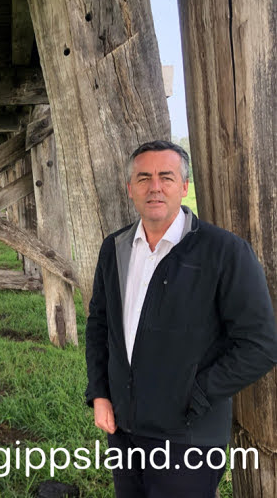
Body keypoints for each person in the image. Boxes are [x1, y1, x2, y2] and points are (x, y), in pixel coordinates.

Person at [85, 140, 277, 498]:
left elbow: (260, 346)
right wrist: (99, 393)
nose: (154, 186)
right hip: (124, 431)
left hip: (188, 438)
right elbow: (99, 324)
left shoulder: (225, 252)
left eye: (166, 177)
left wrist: (194, 393)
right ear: (130, 189)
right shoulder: (115, 248)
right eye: (143, 178)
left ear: (184, 187)